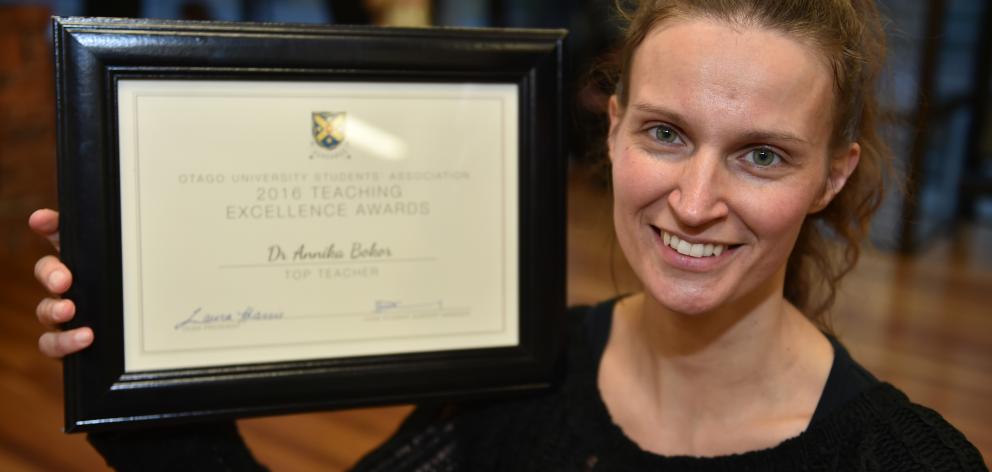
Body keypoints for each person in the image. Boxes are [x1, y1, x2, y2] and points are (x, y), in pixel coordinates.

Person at [29, 0, 988, 470]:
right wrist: (139, 363)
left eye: (763, 156)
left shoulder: (903, 462)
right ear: (610, 128)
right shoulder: (508, 382)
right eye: (666, 133)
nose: (695, 202)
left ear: (835, 175)